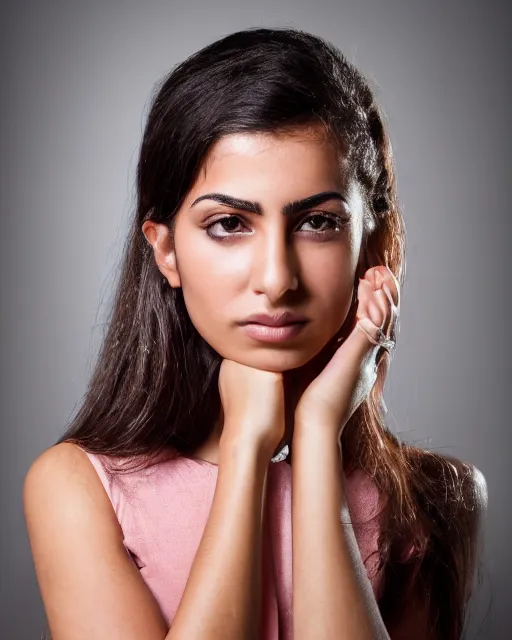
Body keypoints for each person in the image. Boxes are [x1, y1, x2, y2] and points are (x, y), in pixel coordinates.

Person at [23, 27, 487, 640]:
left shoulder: (435, 498)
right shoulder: (80, 489)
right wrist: (246, 442)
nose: (276, 279)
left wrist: (318, 435)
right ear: (165, 252)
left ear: (368, 240)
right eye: (228, 224)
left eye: (317, 222)